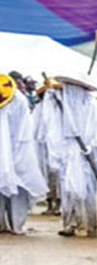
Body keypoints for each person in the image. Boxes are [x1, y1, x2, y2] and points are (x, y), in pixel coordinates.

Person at [55, 75, 97, 238]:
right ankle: (70, 223)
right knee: (68, 191)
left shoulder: (93, 106)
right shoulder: (64, 107)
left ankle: (90, 224)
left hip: (87, 155)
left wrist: (90, 147)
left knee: (87, 192)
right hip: (69, 154)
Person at [0, 74, 47, 234]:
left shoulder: (19, 100)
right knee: (16, 187)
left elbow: (24, 128)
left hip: (18, 147)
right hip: (18, 147)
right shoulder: (20, 100)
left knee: (18, 186)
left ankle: (10, 224)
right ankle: (16, 224)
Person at [32, 77, 63, 215]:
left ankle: (59, 204)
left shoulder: (62, 108)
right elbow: (36, 129)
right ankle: (50, 203)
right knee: (48, 176)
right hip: (44, 147)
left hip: (61, 148)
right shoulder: (39, 109)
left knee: (60, 177)